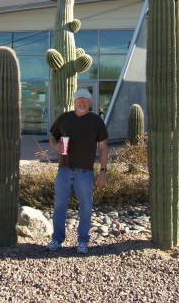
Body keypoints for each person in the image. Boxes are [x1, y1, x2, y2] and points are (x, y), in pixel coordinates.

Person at [47, 88, 109, 254]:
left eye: (85, 100)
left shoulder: (96, 121)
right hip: (64, 170)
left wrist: (103, 171)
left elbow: (103, 147)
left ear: (90, 103)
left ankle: (82, 241)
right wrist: (56, 146)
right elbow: (52, 136)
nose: (81, 102)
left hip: (85, 172)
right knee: (59, 205)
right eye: (78, 100)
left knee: (86, 207)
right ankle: (57, 239)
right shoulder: (65, 118)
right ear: (74, 102)